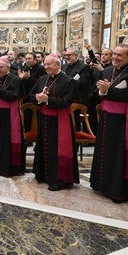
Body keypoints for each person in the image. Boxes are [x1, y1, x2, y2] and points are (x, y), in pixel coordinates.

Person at [91, 45, 128, 203]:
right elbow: (97, 92)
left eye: (120, 55)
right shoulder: (106, 71)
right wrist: (102, 92)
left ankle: (119, 190)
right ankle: (102, 184)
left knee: (120, 153)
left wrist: (109, 90)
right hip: (107, 118)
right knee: (105, 150)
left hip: (125, 120)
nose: (115, 58)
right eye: (114, 54)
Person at [27, 54, 81, 191]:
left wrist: (48, 100)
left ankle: (59, 179)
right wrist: (39, 99)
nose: (46, 67)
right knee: (44, 148)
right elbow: (31, 95)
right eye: (45, 64)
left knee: (56, 150)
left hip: (59, 121)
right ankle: (43, 175)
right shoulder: (42, 79)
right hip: (44, 119)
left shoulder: (68, 81)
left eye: (49, 64)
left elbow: (67, 102)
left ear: (58, 65)